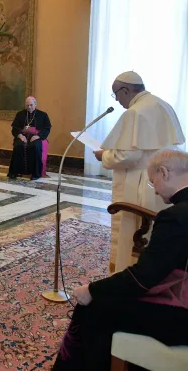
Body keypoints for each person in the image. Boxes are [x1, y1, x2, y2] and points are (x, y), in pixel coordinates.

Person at [52, 148, 188, 370]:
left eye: (154, 183)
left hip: (182, 318)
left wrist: (92, 290)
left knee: (92, 307)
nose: (155, 193)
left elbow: (143, 279)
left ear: (164, 172)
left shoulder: (176, 217)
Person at [94, 71, 184, 272]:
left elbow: (127, 156)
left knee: (132, 230)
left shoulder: (134, 112)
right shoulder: (161, 104)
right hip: (165, 182)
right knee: (154, 232)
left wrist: (104, 156)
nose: (116, 100)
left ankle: (128, 270)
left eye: (116, 94)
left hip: (139, 182)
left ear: (125, 90)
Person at [7, 96, 51, 180]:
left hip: (36, 137)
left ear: (35, 104)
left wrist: (38, 136)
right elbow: (15, 128)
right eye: (27, 105)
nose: (29, 107)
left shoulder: (43, 115)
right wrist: (20, 135)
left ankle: (35, 173)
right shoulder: (20, 114)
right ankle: (14, 172)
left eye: (31, 105)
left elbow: (47, 128)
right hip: (22, 136)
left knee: (35, 147)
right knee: (18, 146)